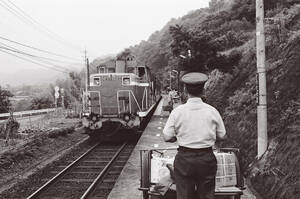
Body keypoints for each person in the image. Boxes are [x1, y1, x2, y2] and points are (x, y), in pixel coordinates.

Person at [162, 72, 226, 199]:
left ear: (185, 90)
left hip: (185, 159)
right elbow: (222, 136)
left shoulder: (177, 112)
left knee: (185, 195)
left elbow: (167, 137)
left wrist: (177, 137)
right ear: (203, 90)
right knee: (206, 195)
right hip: (206, 158)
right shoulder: (212, 111)